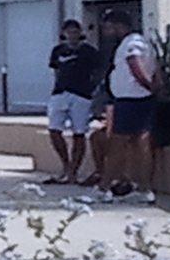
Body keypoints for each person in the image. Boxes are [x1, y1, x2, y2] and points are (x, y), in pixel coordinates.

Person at [104, 11, 162, 202]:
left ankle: (104, 187)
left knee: (118, 144)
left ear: (118, 25)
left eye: (109, 27)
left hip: (130, 99)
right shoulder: (144, 42)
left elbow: (135, 65)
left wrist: (147, 85)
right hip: (140, 100)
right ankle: (144, 189)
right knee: (141, 143)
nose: (107, 31)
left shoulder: (131, 43)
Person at [41, 18, 103, 185]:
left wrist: (92, 90)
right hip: (60, 93)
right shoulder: (58, 51)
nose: (72, 35)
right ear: (64, 34)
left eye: (75, 32)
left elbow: (98, 72)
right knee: (54, 130)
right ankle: (65, 165)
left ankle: (74, 171)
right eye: (69, 32)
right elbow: (56, 70)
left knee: (79, 133)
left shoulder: (89, 52)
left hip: (81, 94)